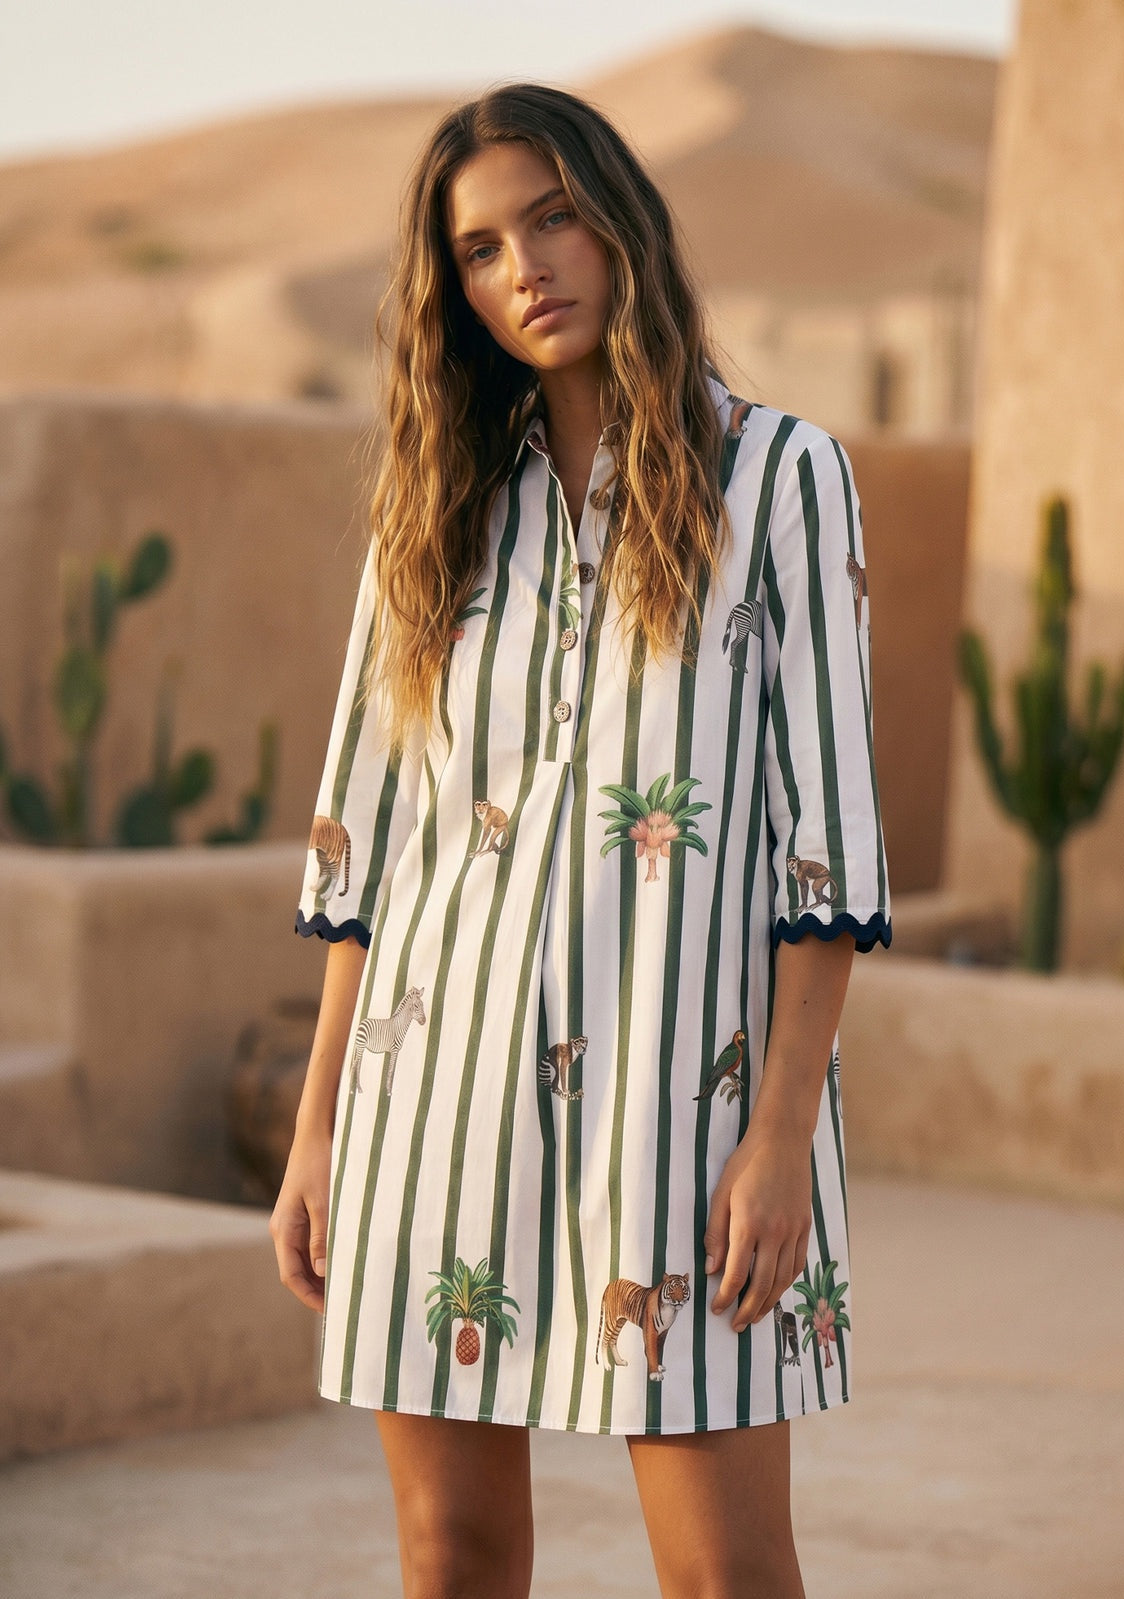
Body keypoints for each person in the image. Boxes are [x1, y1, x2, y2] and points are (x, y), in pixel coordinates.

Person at [271, 81, 891, 1599]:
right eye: (479, 248)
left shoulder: (779, 478)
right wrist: (317, 1126)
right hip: (429, 1092)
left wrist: (780, 1136)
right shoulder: (434, 508)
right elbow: (369, 849)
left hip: (683, 1113)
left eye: (551, 216)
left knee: (726, 1575)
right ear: (454, 290)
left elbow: (828, 852)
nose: (524, 267)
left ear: (621, 220)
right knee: (454, 1553)